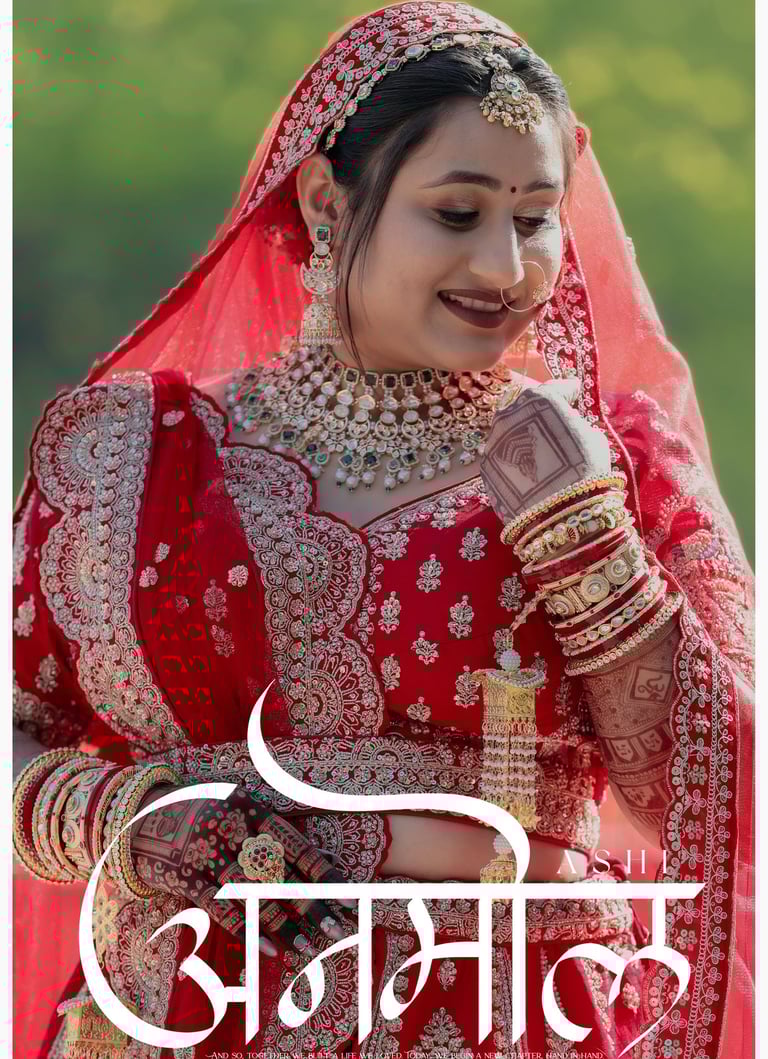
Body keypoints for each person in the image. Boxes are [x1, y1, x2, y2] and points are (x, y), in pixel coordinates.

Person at [12, 3, 754, 1057]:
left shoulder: (609, 462)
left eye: (535, 217)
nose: (505, 267)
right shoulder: (140, 459)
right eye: (457, 215)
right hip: (191, 1010)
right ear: (325, 200)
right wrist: (133, 820)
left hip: (515, 1015)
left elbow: (714, 804)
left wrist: (587, 545)